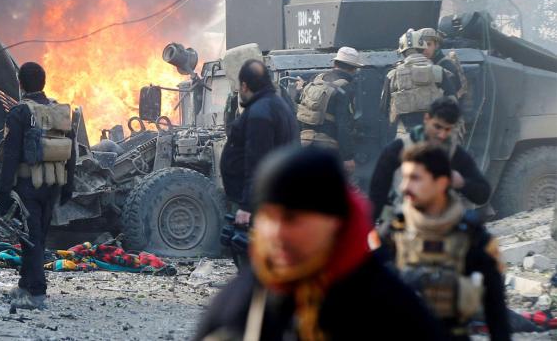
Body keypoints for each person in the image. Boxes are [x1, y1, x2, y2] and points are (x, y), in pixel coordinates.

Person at [195, 146, 445, 341]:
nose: (277, 233)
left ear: (335, 221)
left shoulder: (392, 311)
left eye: (292, 218)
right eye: (269, 217)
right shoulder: (239, 302)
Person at [374, 144, 510, 340]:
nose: (404, 187)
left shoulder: (473, 237)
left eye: (415, 178)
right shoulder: (393, 233)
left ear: (441, 183)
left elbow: (495, 310)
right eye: (404, 178)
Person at [0, 62, 76, 309]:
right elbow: (72, 152)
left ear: (20, 84)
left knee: (31, 239)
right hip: (53, 183)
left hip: (27, 185)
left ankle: (37, 294)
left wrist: (3, 190)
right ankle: (24, 285)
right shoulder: (57, 111)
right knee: (36, 235)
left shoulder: (19, 113)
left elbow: (10, 155)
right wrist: (68, 186)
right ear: (43, 82)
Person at [368, 96, 490, 222]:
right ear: (427, 119)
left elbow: (483, 194)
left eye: (447, 129)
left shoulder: (456, 154)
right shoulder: (397, 149)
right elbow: (377, 196)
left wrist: (462, 183)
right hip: (405, 225)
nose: (442, 135)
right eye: (437, 127)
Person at [220, 59, 298, 227]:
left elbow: (258, 162)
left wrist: (247, 206)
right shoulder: (277, 105)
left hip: (260, 203)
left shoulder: (260, 113)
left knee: (251, 248)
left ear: (245, 86)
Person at [296, 46, 363, 174]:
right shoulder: (345, 87)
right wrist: (347, 157)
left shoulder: (316, 79)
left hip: (304, 144)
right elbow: (343, 125)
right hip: (327, 148)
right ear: (354, 69)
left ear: (334, 63)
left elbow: (299, 102)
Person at [382, 28, 456, 134]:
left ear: (402, 51)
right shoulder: (439, 71)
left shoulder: (392, 75)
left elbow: (384, 109)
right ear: (423, 48)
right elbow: (453, 102)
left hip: (407, 135)